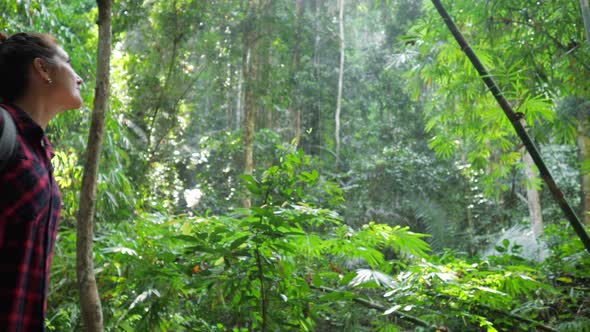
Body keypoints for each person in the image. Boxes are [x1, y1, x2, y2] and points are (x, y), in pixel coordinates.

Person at [0, 32, 83, 331]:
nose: (79, 77)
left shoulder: (38, 150)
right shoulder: (2, 130)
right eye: (68, 63)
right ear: (43, 69)